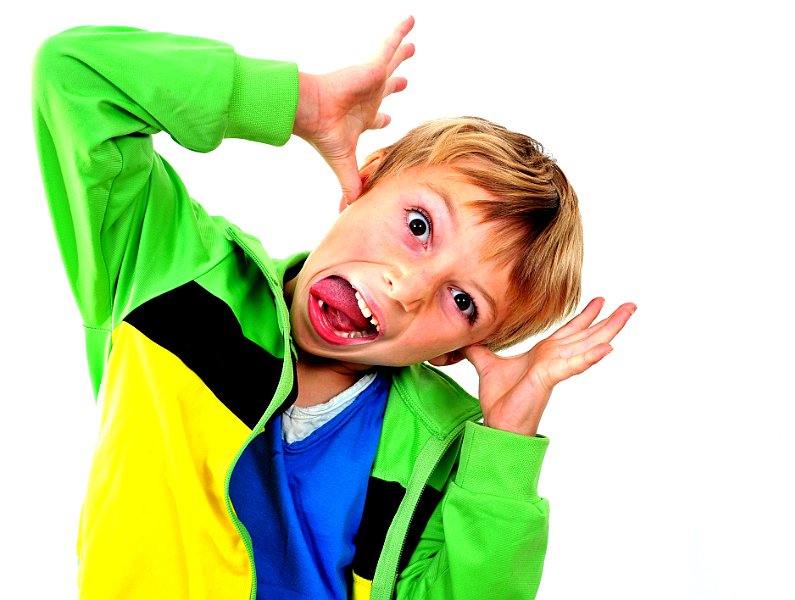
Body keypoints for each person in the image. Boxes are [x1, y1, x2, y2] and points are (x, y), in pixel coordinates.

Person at [32, 16, 635, 600]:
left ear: (454, 352)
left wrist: (504, 442)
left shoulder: (437, 447)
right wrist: (297, 103)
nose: (407, 287)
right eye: (419, 225)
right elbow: (74, 74)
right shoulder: (171, 271)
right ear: (366, 181)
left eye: (461, 301)